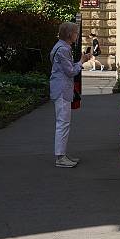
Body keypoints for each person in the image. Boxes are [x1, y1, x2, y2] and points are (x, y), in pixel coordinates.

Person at [50, 22, 92, 168]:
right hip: (62, 89)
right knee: (63, 123)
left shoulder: (60, 47)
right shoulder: (63, 49)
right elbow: (70, 72)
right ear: (69, 34)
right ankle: (60, 157)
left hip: (60, 88)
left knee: (63, 123)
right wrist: (81, 62)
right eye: (75, 32)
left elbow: (66, 69)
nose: (77, 35)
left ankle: (63, 154)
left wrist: (80, 61)